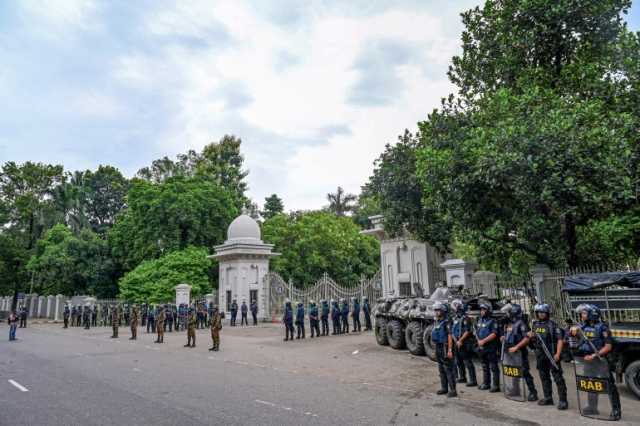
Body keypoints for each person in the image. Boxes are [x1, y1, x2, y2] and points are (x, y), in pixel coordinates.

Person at [568, 304, 621, 420]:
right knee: (590, 383)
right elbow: (576, 340)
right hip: (588, 360)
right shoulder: (583, 327)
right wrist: (572, 332)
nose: (582, 315)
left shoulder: (603, 328)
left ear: (592, 314)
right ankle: (592, 407)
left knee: (608, 385)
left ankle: (616, 409)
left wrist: (593, 355)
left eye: (584, 313)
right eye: (582, 313)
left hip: (601, 361)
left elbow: (608, 347)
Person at [528, 303, 568, 410]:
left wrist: (558, 354)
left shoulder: (552, 325)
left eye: (542, 312)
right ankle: (548, 397)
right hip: (540, 356)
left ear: (547, 313)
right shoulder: (535, 325)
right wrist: (531, 336)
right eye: (538, 312)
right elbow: (533, 341)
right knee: (544, 377)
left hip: (551, 355)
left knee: (558, 378)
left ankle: (563, 400)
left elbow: (560, 340)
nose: (540, 314)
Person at [501, 303, 538, 401]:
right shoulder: (510, 323)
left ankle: (533, 392)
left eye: (509, 312)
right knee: (514, 371)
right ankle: (515, 389)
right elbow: (509, 334)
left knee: (525, 371)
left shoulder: (521, 323)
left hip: (519, 351)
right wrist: (504, 338)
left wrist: (516, 347)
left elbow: (527, 339)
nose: (507, 314)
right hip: (510, 351)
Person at [450, 299, 477, 387]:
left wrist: (460, 340)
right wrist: (456, 340)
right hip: (457, 342)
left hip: (465, 343)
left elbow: (468, 331)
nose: (454, 309)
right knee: (458, 361)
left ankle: (473, 380)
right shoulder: (455, 318)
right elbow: (452, 330)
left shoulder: (466, 318)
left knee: (467, 362)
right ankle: (462, 377)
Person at [432, 302, 457, 397]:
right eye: (435, 310)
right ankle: (444, 388)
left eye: (438, 310)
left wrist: (450, 350)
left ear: (443, 310)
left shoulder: (447, 321)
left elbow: (450, 336)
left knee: (448, 369)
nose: (436, 312)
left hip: (445, 346)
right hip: (438, 346)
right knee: (441, 369)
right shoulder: (437, 321)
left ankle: (453, 390)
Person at [476, 302, 500, 392]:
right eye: (481, 310)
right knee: (484, 366)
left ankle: (496, 385)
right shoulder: (480, 320)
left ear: (488, 310)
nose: (482, 311)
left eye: (484, 309)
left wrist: (483, 341)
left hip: (490, 347)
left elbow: (494, 334)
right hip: (482, 348)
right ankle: (486, 383)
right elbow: (477, 332)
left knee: (493, 367)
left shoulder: (493, 321)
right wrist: (478, 340)